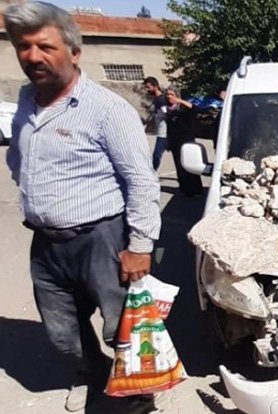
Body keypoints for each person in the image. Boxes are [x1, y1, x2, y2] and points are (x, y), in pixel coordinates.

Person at [4, 2, 161, 413]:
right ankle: (92, 373)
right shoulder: (26, 100)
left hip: (101, 238)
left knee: (123, 327)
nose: (32, 56)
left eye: (45, 46)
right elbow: (18, 157)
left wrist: (140, 246)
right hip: (46, 242)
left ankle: (139, 397)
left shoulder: (107, 109)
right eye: (23, 46)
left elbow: (141, 180)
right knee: (63, 333)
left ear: (74, 52)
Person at [164, 86, 204, 197]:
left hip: (186, 140)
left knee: (190, 165)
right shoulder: (168, 109)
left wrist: (180, 101)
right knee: (179, 165)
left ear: (177, 96)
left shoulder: (183, 108)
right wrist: (168, 141)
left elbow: (197, 110)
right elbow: (169, 127)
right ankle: (184, 189)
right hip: (175, 141)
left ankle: (196, 190)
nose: (169, 96)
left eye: (171, 94)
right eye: (167, 94)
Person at [143, 76, 168, 170]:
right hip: (161, 130)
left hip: (165, 132)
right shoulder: (156, 99)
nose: (147, 89)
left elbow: (166, 114)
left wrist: (158, 116)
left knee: (157, 154)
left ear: (155, 86)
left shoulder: (161, 100)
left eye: (148, 87)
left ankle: (152, 173)